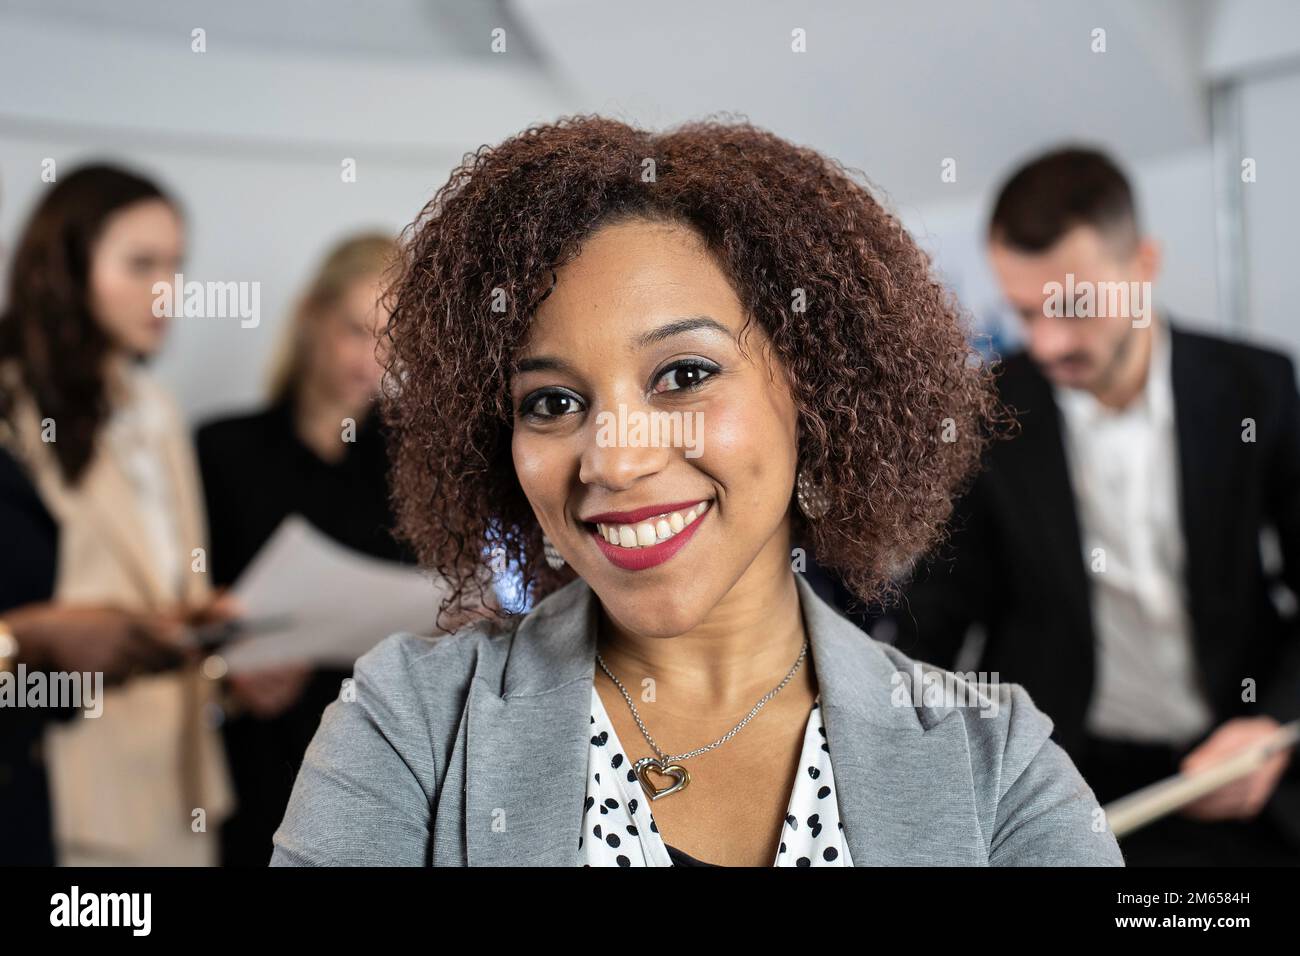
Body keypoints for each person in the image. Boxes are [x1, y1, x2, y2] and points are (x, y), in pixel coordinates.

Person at [270, 117, 1122, 867]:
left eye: (683, 375)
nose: (614, 461)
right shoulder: (411, 725)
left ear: (816, 390)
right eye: (553, 402)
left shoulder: (992, 760)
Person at [890, 147, 1300, 865]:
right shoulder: (986, 415)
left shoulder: (1256, 389)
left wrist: (1274, 721)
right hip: (1067, 782)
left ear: (1143, 265)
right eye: (1024, 312)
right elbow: (938, 620)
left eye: (1073, 308)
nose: (1047, 343)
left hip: (1242, 768)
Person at [0, 164, 233, 865]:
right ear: (68, 268)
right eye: (141, 264)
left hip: (187, 780)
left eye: (176, 266)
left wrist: (215, 630)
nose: (167, 291)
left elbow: (172, 585)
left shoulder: (154, 410)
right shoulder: (11, 407)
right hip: (75, 781)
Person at [196, 234, 411, 866]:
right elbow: (182, 611)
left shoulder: (419, 462)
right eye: (355, 330)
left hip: (381, 767)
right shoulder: (221, 452)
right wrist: (227, 677)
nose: (371, 360)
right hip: (253, 761)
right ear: (308, 317)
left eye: (391, 339)